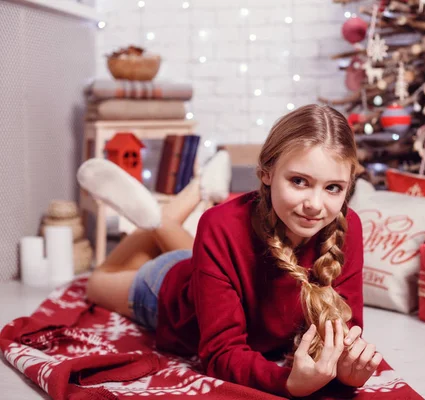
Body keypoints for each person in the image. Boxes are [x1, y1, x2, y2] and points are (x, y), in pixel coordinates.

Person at [77, 104, 382, 398]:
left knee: (208, 250)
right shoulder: (219, 226)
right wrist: (288, 382)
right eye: (299, 181)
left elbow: (347, 327)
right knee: (98, 282)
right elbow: (220, 352)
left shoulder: (347, 225)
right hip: (170, 290)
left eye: (333, 188)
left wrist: (346, 368)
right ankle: (157, 217)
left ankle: (186, 201)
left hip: (210, 267)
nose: (315, 205)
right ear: (266, 172)